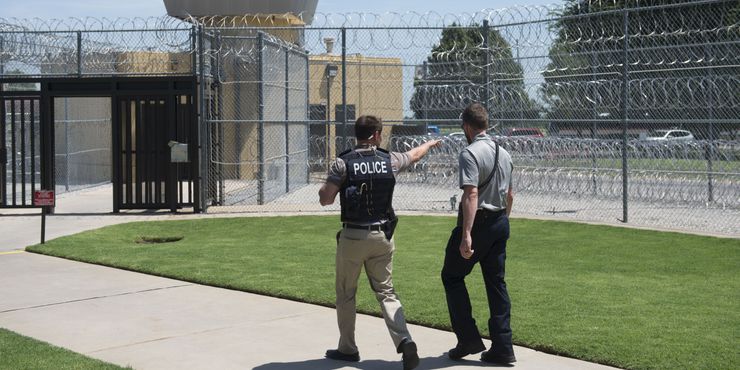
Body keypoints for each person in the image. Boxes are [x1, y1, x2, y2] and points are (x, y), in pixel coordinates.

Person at [319, 115, 441, 370]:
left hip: (353, 237)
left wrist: (330, 183)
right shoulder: (390, 160)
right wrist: (429, 145)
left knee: (346, 293)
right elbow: (413, 155)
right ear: (374, 135)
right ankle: (404, 340)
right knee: (386, 292)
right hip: (382, 236)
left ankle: (347, 349)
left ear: (357, 135)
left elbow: (326, 199)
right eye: (381, 133)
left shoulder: (343, 163)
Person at [441, 103, 516, 364]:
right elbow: (509, 195)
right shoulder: (504, 153)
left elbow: (471, 194)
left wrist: (467, 234)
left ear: (467, 127)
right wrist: (502, 223)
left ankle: (468, 339)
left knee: (451, 276)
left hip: (479, 222)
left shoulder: (469, 153)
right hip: (499, 221)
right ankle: (503, 346)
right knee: (496, 283)